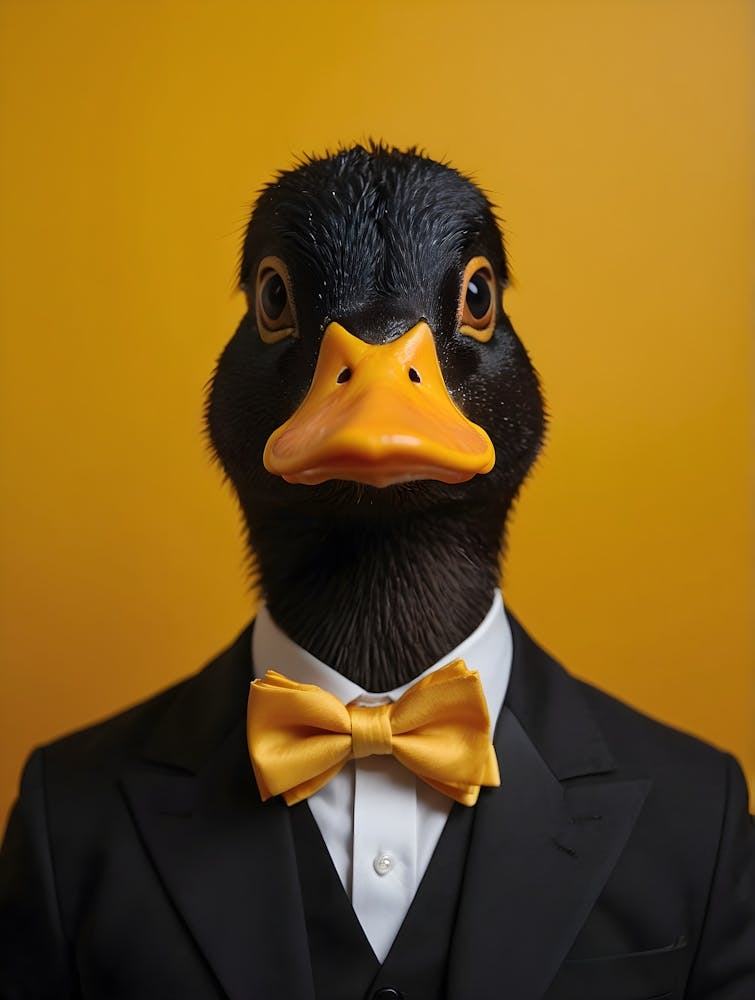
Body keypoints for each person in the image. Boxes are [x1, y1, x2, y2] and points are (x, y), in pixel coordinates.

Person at [2, 145, 753, 999]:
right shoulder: (70, 819)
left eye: (471, 300)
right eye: (280, 301)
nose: (379, 385)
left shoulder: (698, 818)